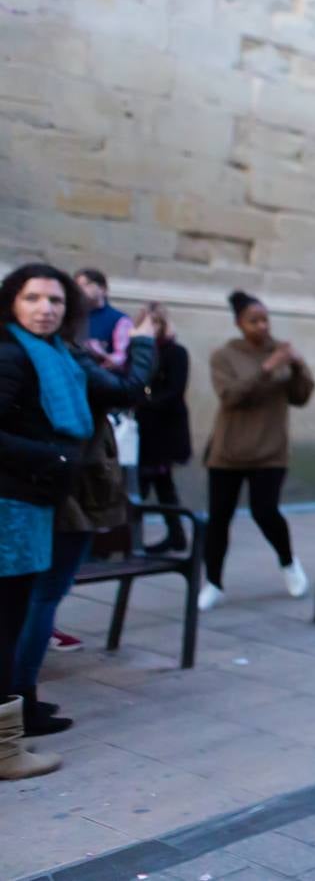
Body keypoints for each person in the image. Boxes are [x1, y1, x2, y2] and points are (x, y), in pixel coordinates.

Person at [0, 264, 155, 777]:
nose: (45, 308)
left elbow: (121, 390)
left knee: (18, 614)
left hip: (32, 502)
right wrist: (59, 460)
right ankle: (5, 750)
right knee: (9, 621)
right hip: (12, 503)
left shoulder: (57, 356)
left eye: (56, 301)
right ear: (13, 304)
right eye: (33, 298)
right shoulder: (12, 353)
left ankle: (11, 738)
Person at [198, 290, 315, 611]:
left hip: (270, 450)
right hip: (228, 450)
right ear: (239, 323)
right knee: (219, 518)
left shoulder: (280, 351)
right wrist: (267, 368)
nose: (262, 326)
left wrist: (299, 366)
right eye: (254, 321)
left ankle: (289, 564)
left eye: (265, 319)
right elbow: (231, 396)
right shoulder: (224, 355)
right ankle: (214, 582)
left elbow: (301, 397)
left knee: (266, 512)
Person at [136, 303, 192, 553]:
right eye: (149, 321)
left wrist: (142, 401)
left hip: (164, 430)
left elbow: (174, 390)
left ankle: (133, 538)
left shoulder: (175, 352)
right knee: (157, 485)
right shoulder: (139, 350)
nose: (152, 327)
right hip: (144, 430)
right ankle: (175, 535)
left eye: (157, 322)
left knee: (150, 484)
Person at [74, 268, 133, 372]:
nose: (80, 290)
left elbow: (122, 357)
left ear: (102, 289)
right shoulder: (72, 316)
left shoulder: (120, 320)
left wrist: (101, 353)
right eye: (77, 286)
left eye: (86, 285)